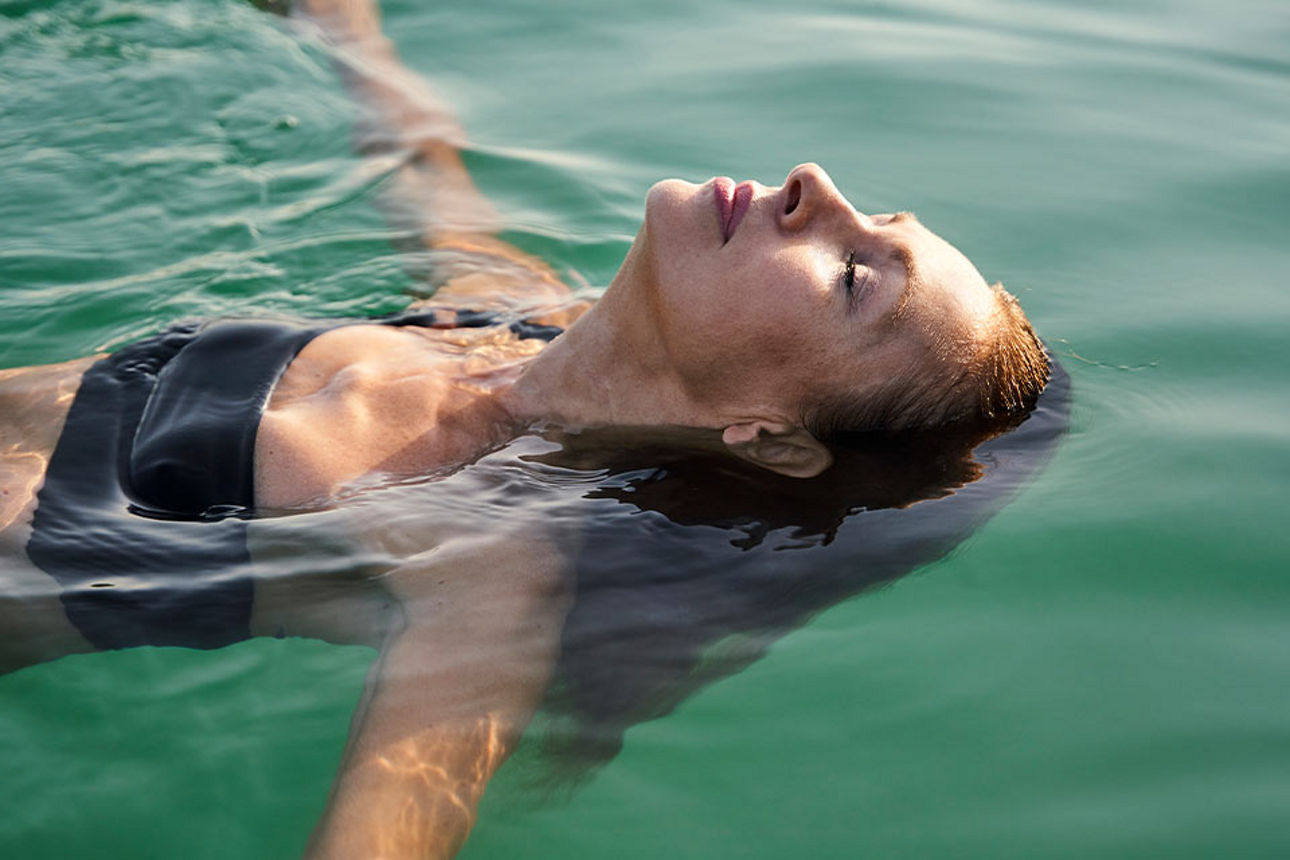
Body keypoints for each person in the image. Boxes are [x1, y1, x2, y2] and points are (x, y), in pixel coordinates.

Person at [0, 0, 1057, 857]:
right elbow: (422, 166)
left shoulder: (489, 563)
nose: (814, 187)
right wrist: (345, 28)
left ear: (774, 436)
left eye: (854, 275)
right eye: (881, 215)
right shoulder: (501, 316)